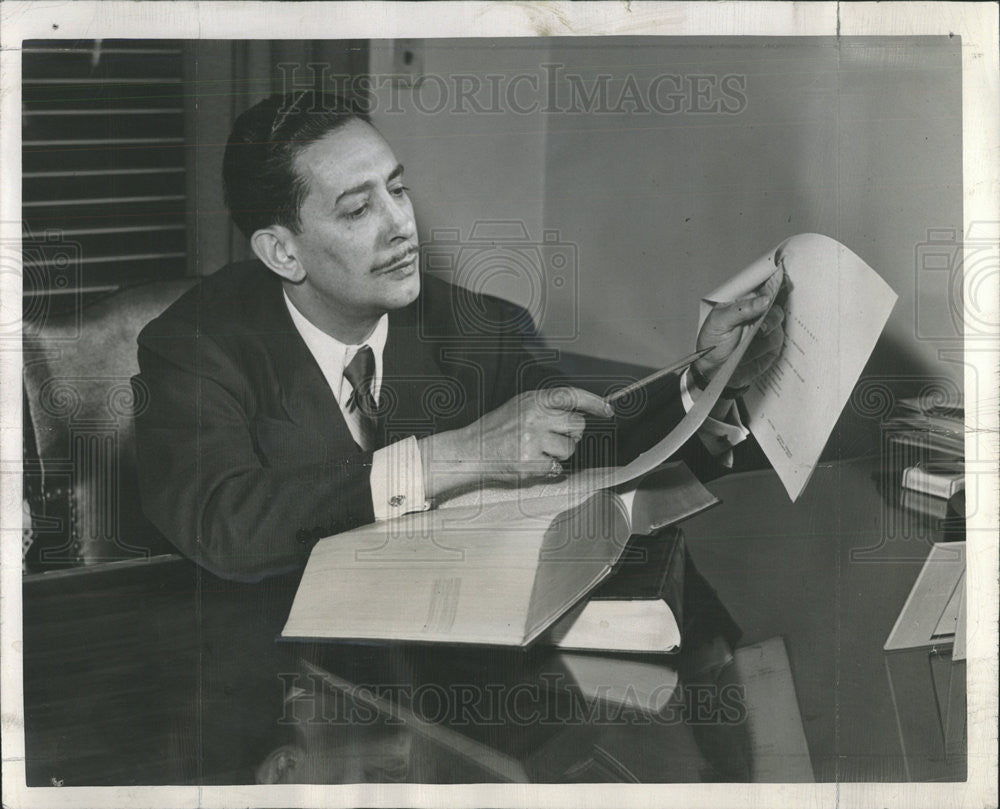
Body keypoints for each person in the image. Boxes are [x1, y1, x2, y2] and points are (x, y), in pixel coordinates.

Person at [131, 92, 784, 782]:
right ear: (282, 251)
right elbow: (222, 522)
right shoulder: (195, 345)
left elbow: (599, 451)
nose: (401, 225)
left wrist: (707, 383)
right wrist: (455, 455)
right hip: (278, 692)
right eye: (358, 210)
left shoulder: (481, 327)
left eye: (398, 188)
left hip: (461, 689)